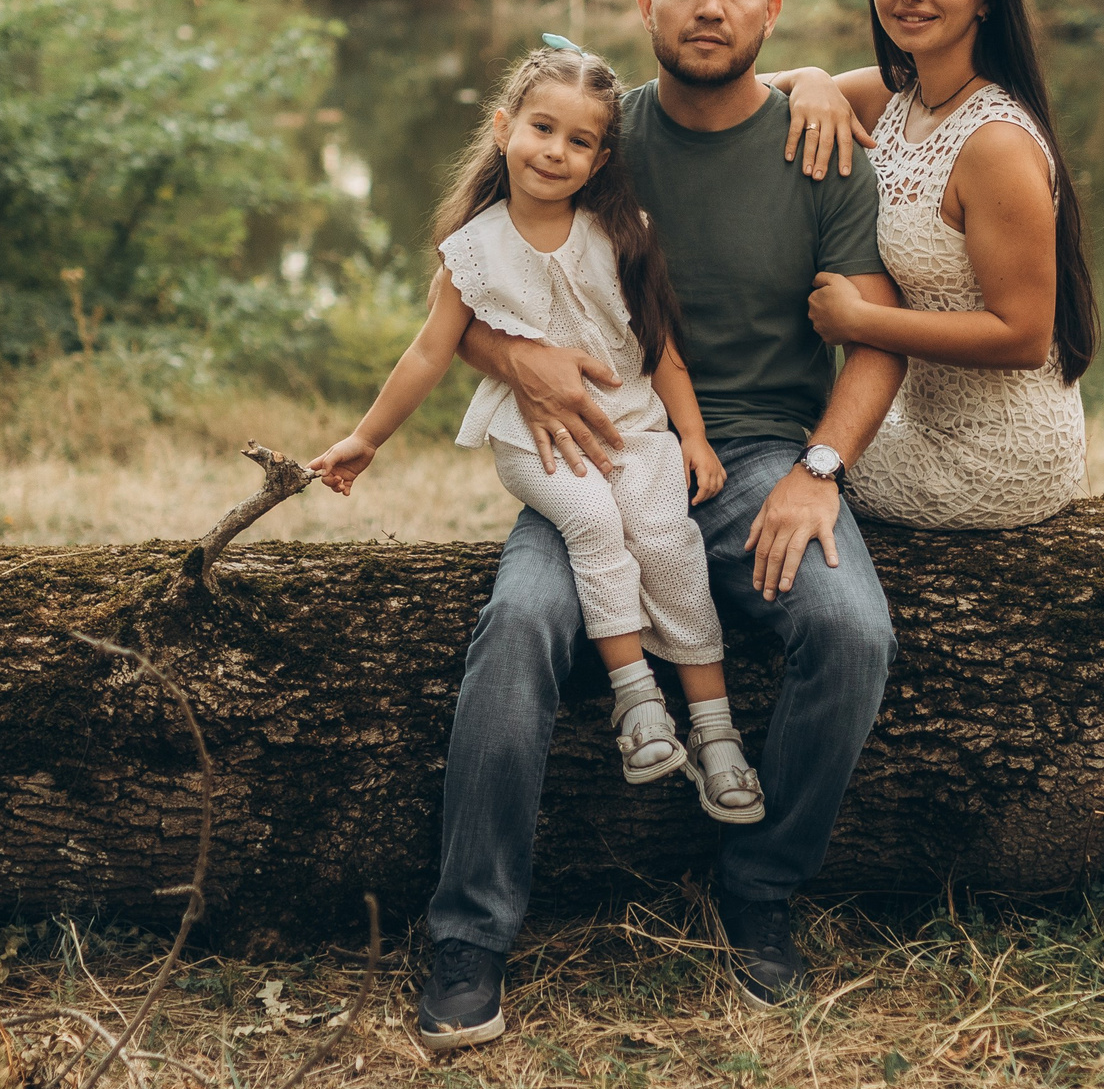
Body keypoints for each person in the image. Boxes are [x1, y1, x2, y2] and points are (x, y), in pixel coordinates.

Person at [412, 0, 904, 1049]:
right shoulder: (593, 135)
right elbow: (459, 291)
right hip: (599, 444)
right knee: (521, 621)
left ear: (770, 11)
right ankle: (467, 936)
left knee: (853, 630)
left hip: (763, 458)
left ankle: (759, 888)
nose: (710, 5)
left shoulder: (816, 142)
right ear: (645, 4)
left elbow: (875, 335)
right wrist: (516, 354)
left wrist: (820, 468)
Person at [309, 45, 769, 834]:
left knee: (666, 539)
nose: (555, 151)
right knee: (592, 522)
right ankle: (637, 706)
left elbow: (659, 349)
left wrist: (691, 436)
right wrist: (366, 438)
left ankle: (717, 731)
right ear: (502, 128)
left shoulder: (621, 234)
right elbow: (429, 351)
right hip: (535, 436)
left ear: (599, 159)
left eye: (579, 140)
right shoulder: (473, 252)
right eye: (541, 128)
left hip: (633, 426)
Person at [763, 0, 1097, 528]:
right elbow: (747, 103)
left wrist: (858, 321)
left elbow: (1023, 335)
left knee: (770, 458)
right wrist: (808, 77)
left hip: (994, 457)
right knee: (760, 436)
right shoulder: (896, 95)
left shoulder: (994, 142)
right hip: (911, 416)